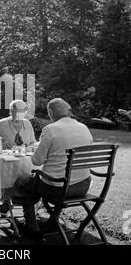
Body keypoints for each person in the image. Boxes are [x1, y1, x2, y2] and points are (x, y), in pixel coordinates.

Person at [12, 98, 93, 241]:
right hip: (83, 185)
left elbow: (36, 161)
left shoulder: (50, 129)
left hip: (58, 188)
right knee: (36, 183)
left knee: (22, 182)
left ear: (50, 112)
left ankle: (32, 226)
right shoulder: (83, 127)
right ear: (68, 111)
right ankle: (52, 221)